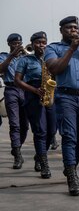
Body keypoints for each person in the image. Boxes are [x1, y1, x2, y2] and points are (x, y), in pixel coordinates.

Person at [44, 16, 79, 195]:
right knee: (69, 136)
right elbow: (54, 69)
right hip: (65, 96)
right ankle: (72, 176)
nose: (73, 31)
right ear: (61, 30)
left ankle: (71, 166)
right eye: (69, 28)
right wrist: (72, 49)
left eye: (76, 28)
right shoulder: (53, 48)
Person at [14, 31, 57, 179]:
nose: (41, 45)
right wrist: (34, 90)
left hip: (49, 94)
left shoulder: (51, 58)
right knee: (40, 132)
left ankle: (39, 156)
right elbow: (17, 81)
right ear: (32, 44)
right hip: (33, 96)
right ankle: (44, 165)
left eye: (44, 42)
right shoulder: (25, 60)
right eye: (38, 42)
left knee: (52, 131)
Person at [0, 33, 29, 170]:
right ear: (9, 44)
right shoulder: (4, 56)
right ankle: (17, 154)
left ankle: (17, 146)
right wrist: (12, 55)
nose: (17, 45)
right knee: (14, 124)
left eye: (19, 43)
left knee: (24, 125)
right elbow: (1, 69)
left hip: (25, 90)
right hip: (11, 89)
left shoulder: (26, 57)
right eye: (14, 43)